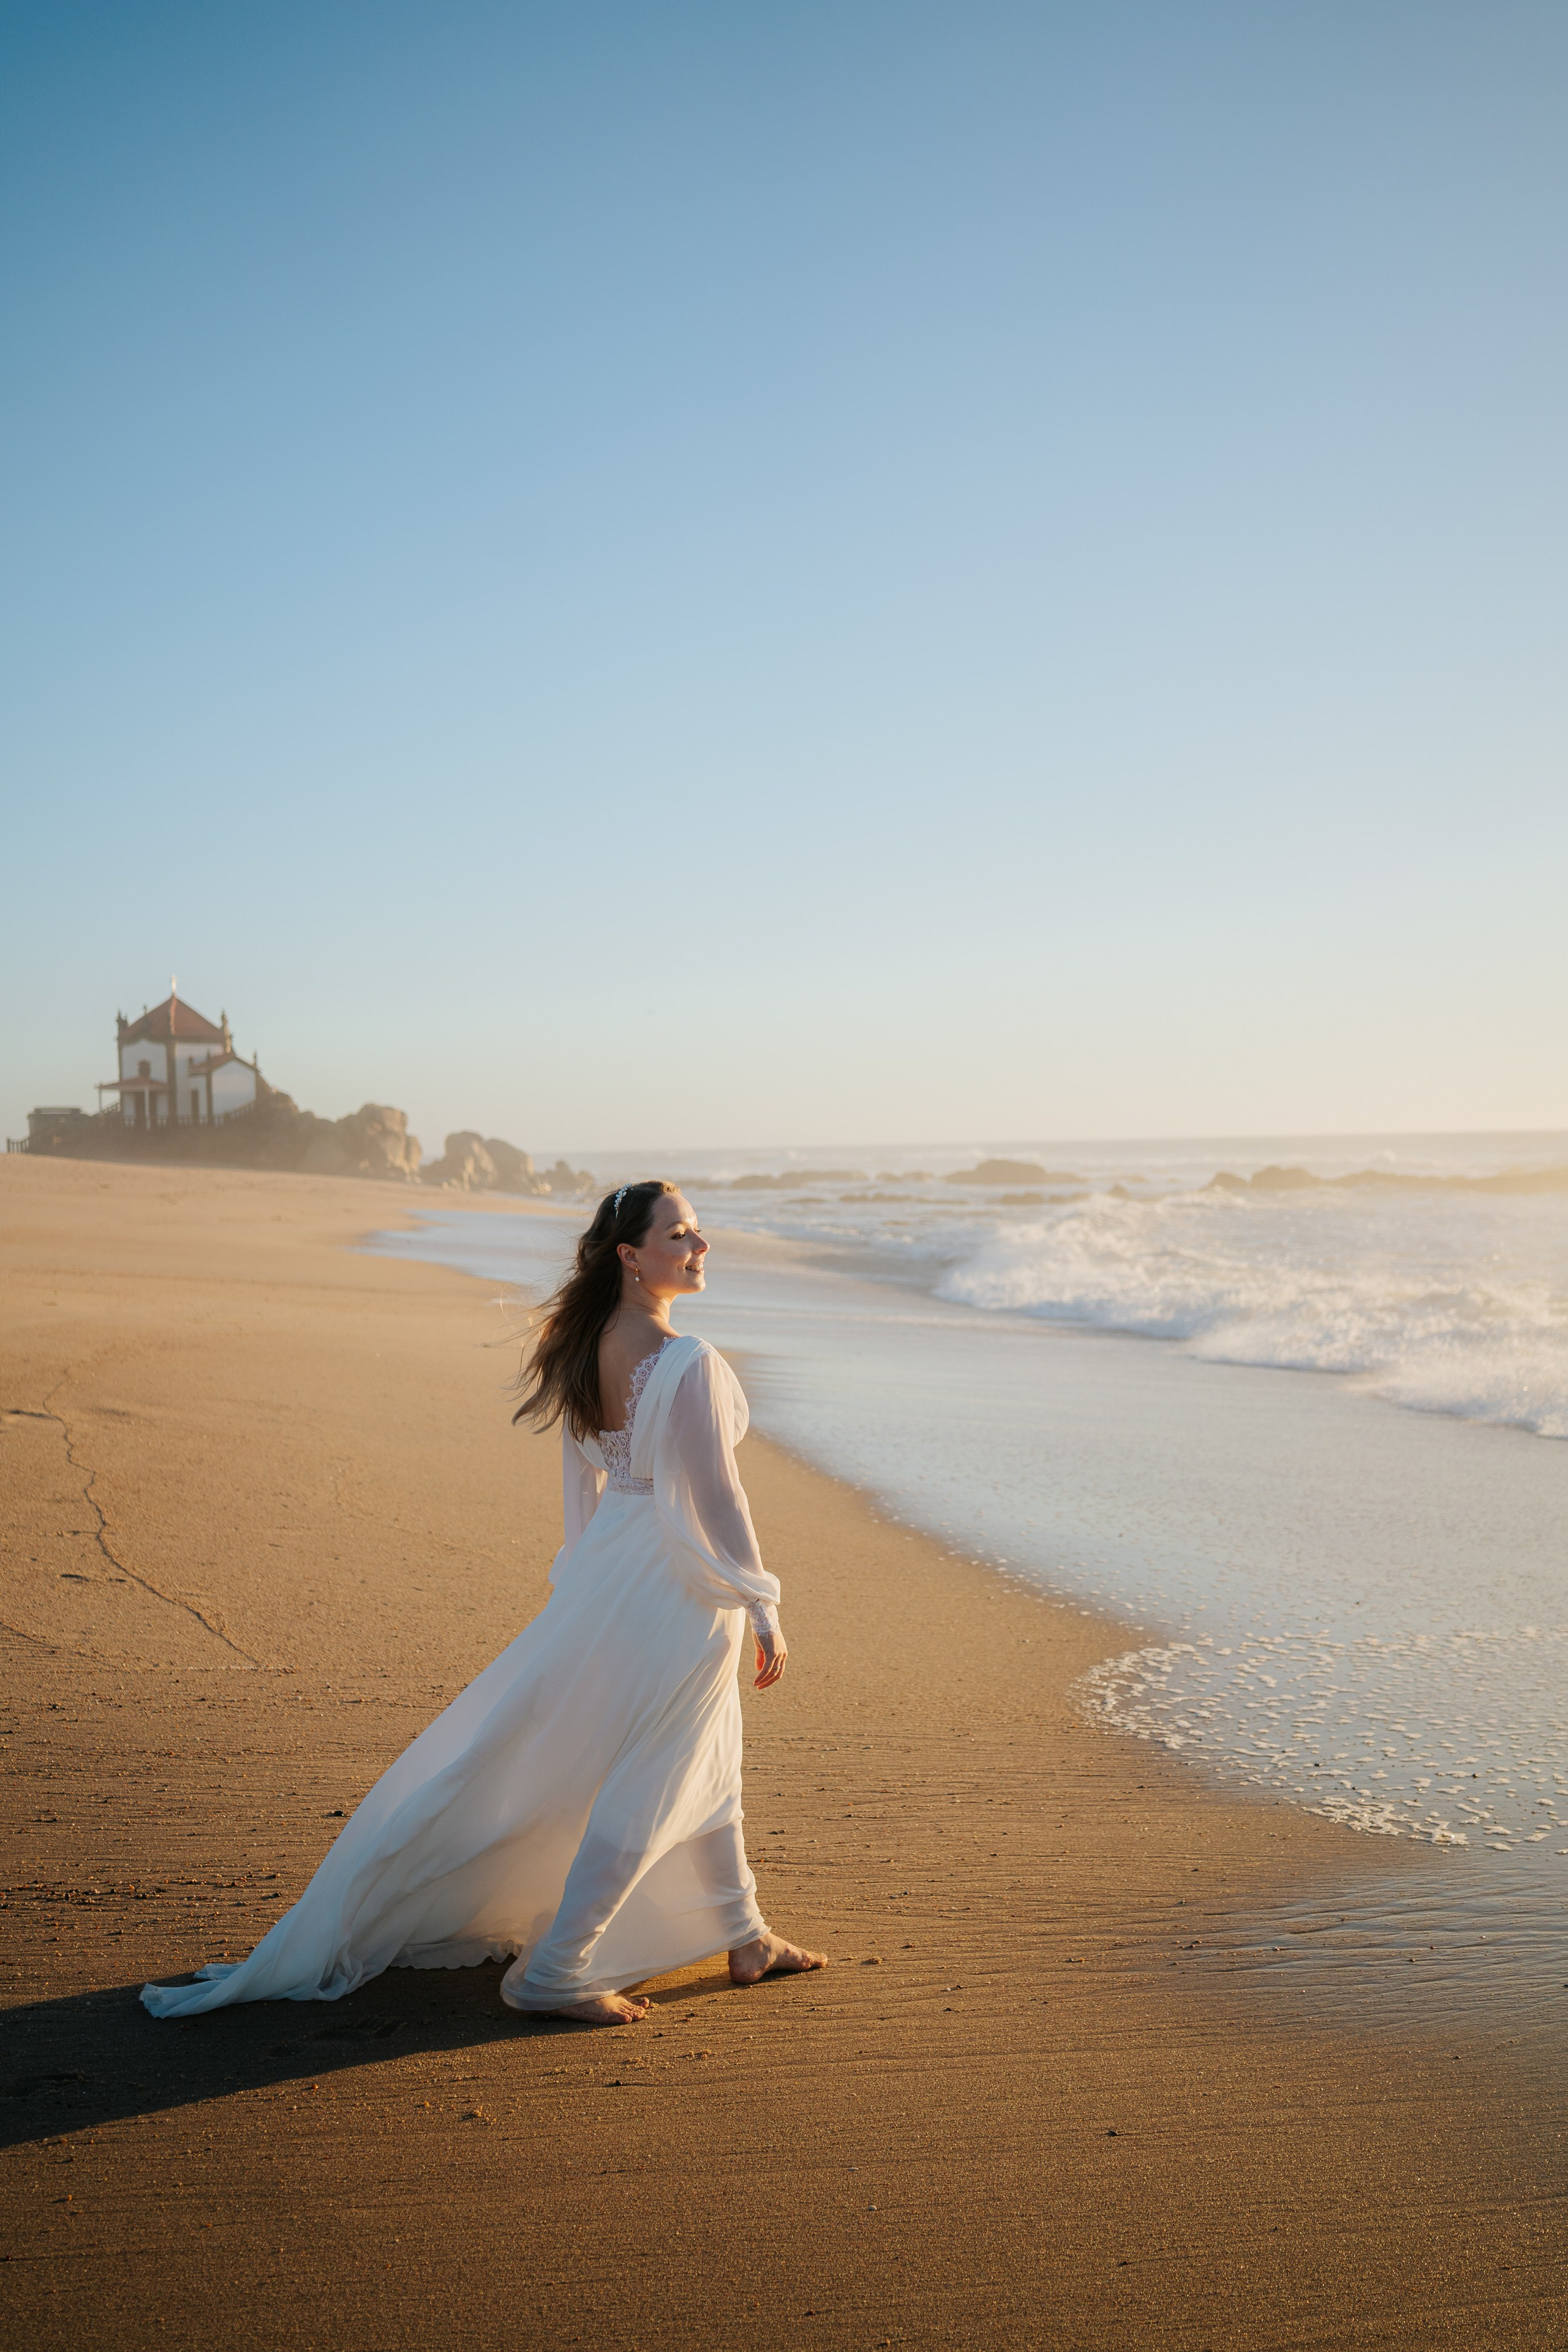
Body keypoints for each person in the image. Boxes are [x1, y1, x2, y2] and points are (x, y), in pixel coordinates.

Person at [141, 1180, 826, 2026]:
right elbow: (719, 1496)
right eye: (680, 1234)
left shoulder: (582, 1347)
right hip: (676, 1581)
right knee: (660, 1775)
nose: (700, 1246)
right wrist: (760, 1600)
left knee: (702, 1755)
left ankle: (747, 1934)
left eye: (697, 1232)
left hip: (612, 1570)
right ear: (631, 1256)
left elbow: (586, 1487)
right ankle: (558, 1969)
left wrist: (582, 1585)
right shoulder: (689, 1362)